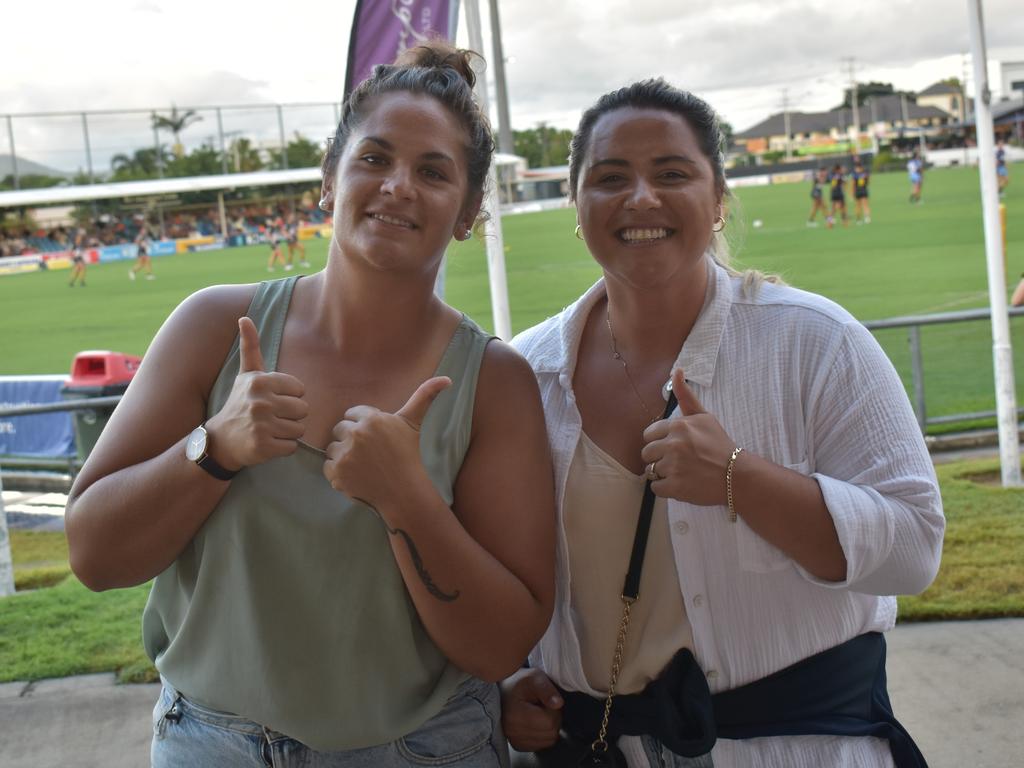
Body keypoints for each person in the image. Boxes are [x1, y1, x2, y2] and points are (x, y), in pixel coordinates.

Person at [64, 41, 556, 767]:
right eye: (374, 159)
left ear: (469, 211)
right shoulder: (212, 329)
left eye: (432, 171)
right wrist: (215, 447)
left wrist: (407, 500)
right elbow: (95, 554)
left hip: (425, 747)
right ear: (330, 180)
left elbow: (500, 644)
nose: (397, 186)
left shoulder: (495, 382)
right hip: (211, 744)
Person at [501, 79, 944, 768]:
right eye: (610, 177)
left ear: (717, 199)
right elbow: (503, 571)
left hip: (795, 747)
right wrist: (510, 679)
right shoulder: (522, 374)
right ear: (576, 203)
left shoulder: (814, 340)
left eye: (672, 174)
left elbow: (914, 549)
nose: (641, 197)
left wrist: (740, 478)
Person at [827, 162, 848, 228]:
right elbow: (845, 182)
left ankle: (830, 223)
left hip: (833, 193)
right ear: (838, 169)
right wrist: (843, 173)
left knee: (833, 209)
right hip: (839, 193)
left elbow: (831, 183)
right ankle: (845, 223)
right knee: (842, 208)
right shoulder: (840, 175)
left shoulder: (831, 175)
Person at [850, 157, 871, 224]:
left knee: (858, 205)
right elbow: (868, 182)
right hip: (863, 190)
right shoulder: (865, 173)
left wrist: (852, 193)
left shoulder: (854, 174)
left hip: (858, 190)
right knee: (865, 204)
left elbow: (853, 184)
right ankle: (867, 218)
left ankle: (859, 219)